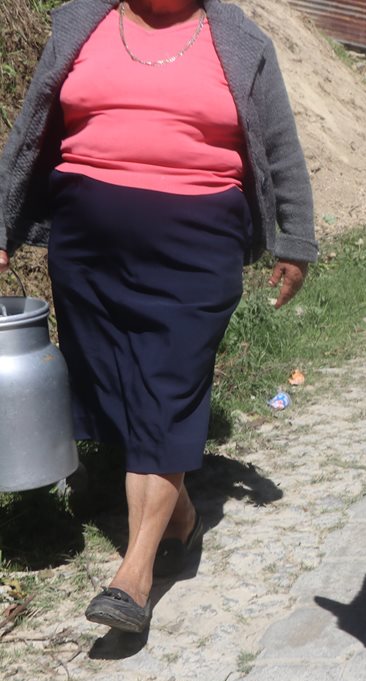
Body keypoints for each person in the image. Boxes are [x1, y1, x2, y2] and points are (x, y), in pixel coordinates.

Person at [0, 0, 317, 634]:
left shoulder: (240, 40)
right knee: (111, 378)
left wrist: (297, 238)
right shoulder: (77, 22)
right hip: (86, 242)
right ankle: (181, 519)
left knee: (168, 384)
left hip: (198, 242)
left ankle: (135, 576)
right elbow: (30, 128)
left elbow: (279, 143)